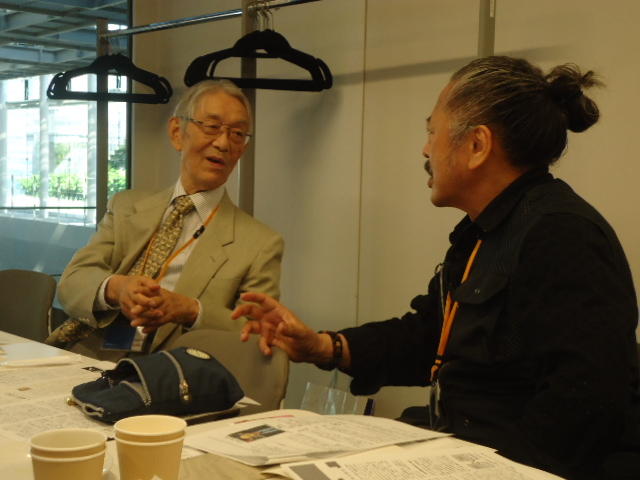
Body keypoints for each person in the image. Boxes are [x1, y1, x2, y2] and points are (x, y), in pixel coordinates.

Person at [231, 56, 640, 480]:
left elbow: (585, 402)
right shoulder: (482, 234)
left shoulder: (561, 234)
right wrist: (324, 346)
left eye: (432, 132)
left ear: (477, 145)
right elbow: (429, 336)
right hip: (461, 451)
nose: (426, 149)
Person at [48, 80, 283, 360]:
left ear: (242, 149)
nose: (223, 143)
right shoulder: (126, 206)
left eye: (237, 134)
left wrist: (191, 310)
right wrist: (117, 289)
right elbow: (72, 283)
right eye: (212, 126)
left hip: (169, 371)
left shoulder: (260, 244)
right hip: (82, 354)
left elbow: (257, 334)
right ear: (177, 133)